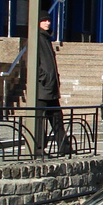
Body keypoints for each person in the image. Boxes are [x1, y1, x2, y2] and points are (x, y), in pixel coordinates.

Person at [34, 13, 70, 156]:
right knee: (39, 120)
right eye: (44, 20)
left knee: (57, 118)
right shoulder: (37, 38)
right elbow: (34, 62)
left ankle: (64, 146)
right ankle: (38, 149)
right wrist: (43, 77)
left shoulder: (46, 38)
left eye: (49, 20)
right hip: (42, 87)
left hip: (50, 87)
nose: (47, 23)